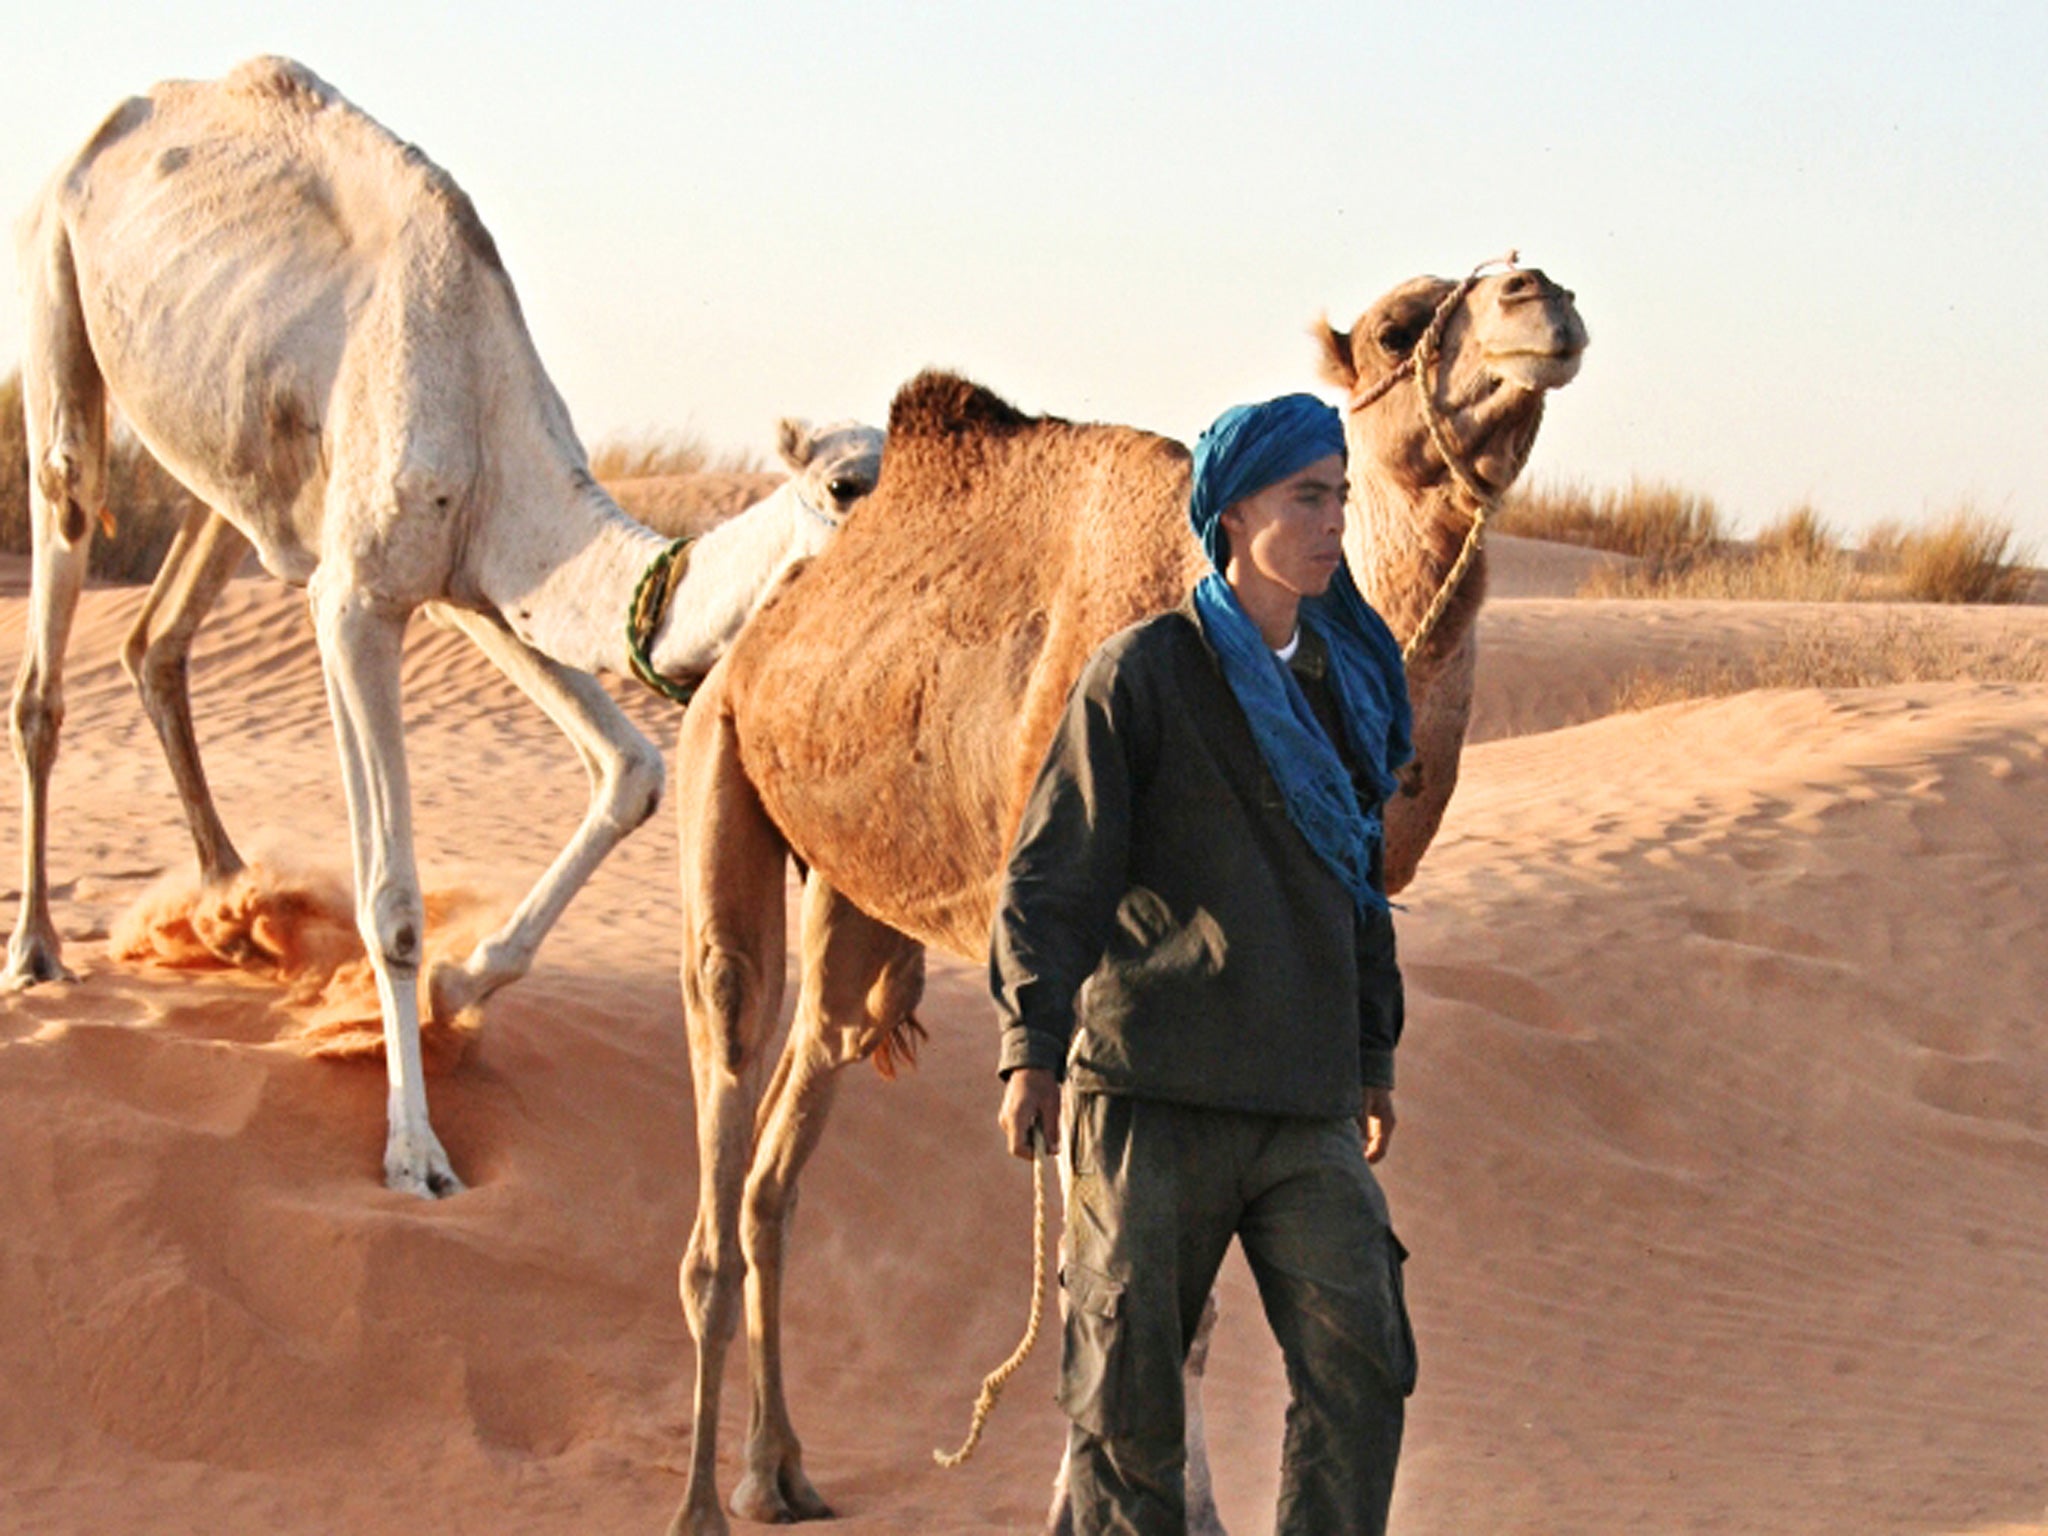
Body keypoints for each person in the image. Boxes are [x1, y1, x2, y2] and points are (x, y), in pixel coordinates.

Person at [990, 393, 1417, 1535]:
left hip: (1303, 1104)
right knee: (1127, 1406)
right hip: (1153, 1091)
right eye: (1306, 498)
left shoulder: (1347, 685)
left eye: (1339, 497)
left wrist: (1372, 1051)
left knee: (1365, 1366)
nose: (1333, 522)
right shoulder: (1142, 674)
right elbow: (1053, 874)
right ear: (1232, 514)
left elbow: (1360, 882)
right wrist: (1031, 1045)